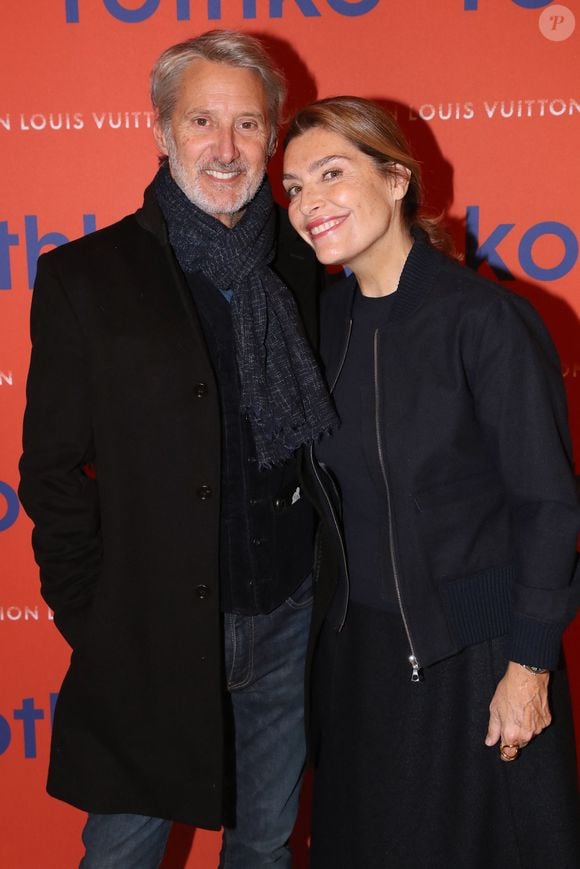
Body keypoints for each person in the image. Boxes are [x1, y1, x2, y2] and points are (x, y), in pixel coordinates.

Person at [19, 31, 336, 869]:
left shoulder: (303, 264)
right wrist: (93, 613)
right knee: (123, 851)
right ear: (161, 129)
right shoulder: (85, 279)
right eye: (202, 120)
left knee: (265, 845)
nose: (225, 149)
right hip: (149, 632)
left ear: (273, 138)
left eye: (247, 125)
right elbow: (50, 473)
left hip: (286, 614)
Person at [282, 96, 580, 868]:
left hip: (473, 655)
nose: (309, 202)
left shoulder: (485, 321)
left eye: (330, 174)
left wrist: (529, 666)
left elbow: (549, 508)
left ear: (395, 179)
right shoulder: (321, 322)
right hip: (358, 661)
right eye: (293, 188)